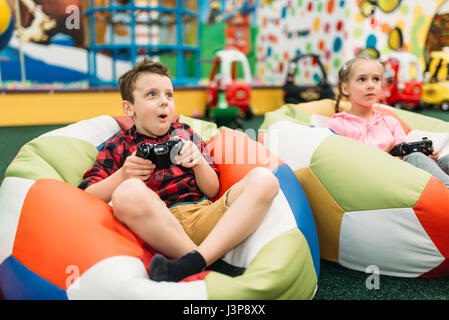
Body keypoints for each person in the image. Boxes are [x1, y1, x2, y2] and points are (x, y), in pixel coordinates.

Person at [78, 57, 280, 282]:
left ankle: (196, 262)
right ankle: (209, 264)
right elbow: (86, 197)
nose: (164, 101)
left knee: (265, 179)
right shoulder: (118, 145)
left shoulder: (186, 134)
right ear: (129, 108)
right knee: (127, 192)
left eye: (169, 94)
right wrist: (123, 175)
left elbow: (212, 189)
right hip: (157, 226)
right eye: (152, 94)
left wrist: (198, 162)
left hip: (202, 215)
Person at [328, 55, 449, 189]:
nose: (370, 85)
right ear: (345, 88)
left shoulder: (390, 121)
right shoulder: (339, 125)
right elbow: (345, 165)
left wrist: (429, 160)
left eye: (376, 79)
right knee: (417, 159)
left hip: (407, 175)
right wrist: (383, 158)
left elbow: (407, 157)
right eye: (362, 79)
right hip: (376, 181)